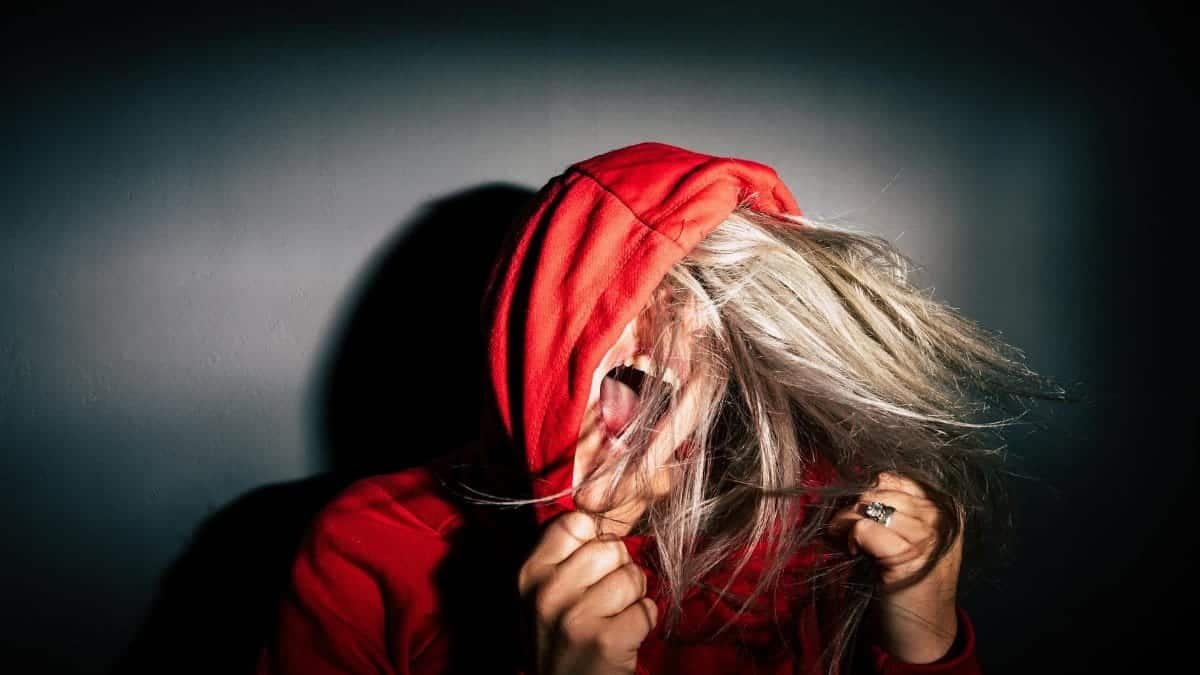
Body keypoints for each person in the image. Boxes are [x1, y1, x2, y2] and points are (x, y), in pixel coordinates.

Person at [255, 141, 1065, 674]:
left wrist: (922, 633)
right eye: (624, 368)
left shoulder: (800, 525)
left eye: (717, 373)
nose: (664, 426)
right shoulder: (364, 555)